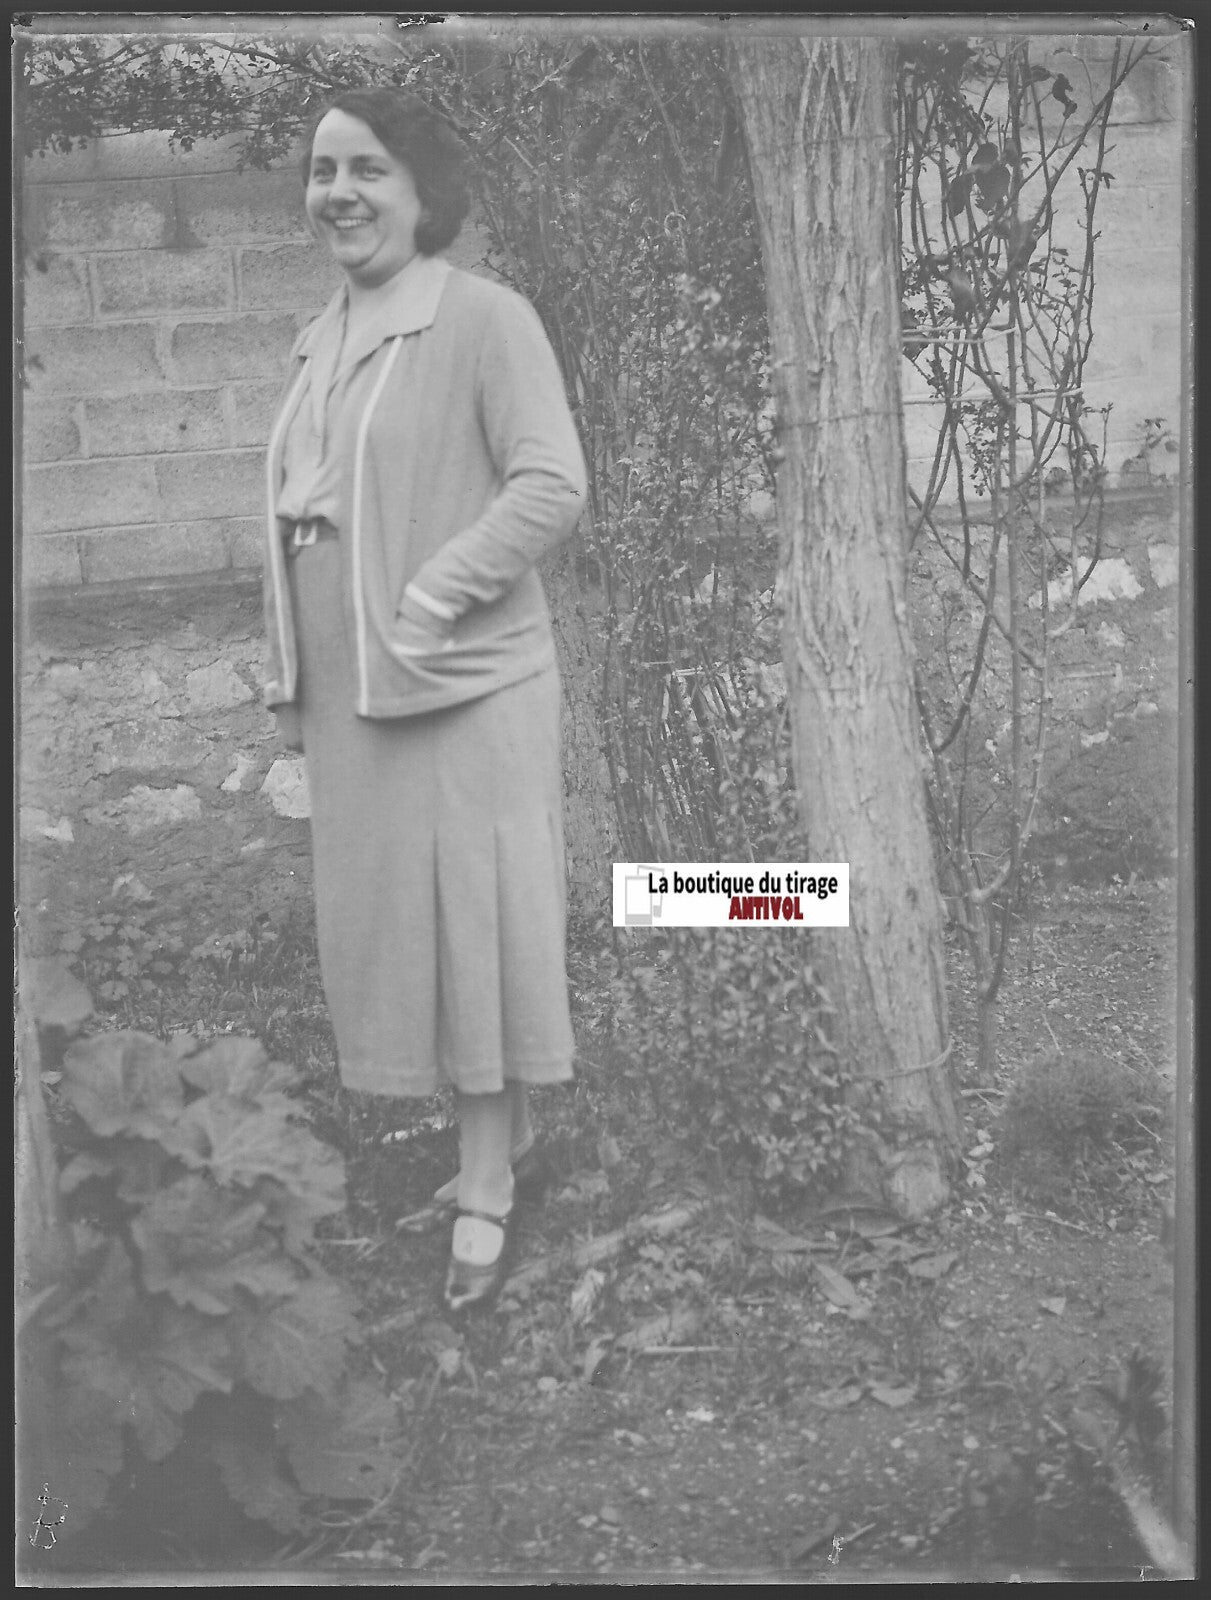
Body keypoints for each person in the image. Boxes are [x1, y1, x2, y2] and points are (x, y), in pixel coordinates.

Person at [261, 87, 587, 1314]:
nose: (338, 191)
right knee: (399, 926)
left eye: (368, 170)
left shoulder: (484, 319)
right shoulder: (316, 338)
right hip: (361, 696)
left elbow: (551, 485)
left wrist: (432, 591)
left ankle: (490, 1178)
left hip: (464, 682)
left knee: (478, 920)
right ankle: (473, 1149)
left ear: (422, 192)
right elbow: (305, 500)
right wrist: (293, 665)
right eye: (321, 169)